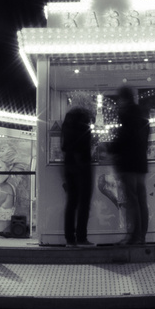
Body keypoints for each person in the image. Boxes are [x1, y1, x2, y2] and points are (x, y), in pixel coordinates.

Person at [114, 86, 150, 245]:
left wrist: (111, 147)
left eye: (120, 99)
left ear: (124, 99)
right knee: (140, 200)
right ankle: (141, 236)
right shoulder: (142, 115)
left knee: (132, 201)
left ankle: (134, 237)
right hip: (140, 163)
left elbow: (125, 139)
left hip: (129, 164)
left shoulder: (127, 116)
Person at [61, 104, 93, 246]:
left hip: (69, 165)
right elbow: (86, 148)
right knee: (84, 204)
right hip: (82, 167)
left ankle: (69, 239)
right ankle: (81, 238)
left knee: (71, 203)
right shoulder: (84, 127)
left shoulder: (66, 126)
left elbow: (63, 146)